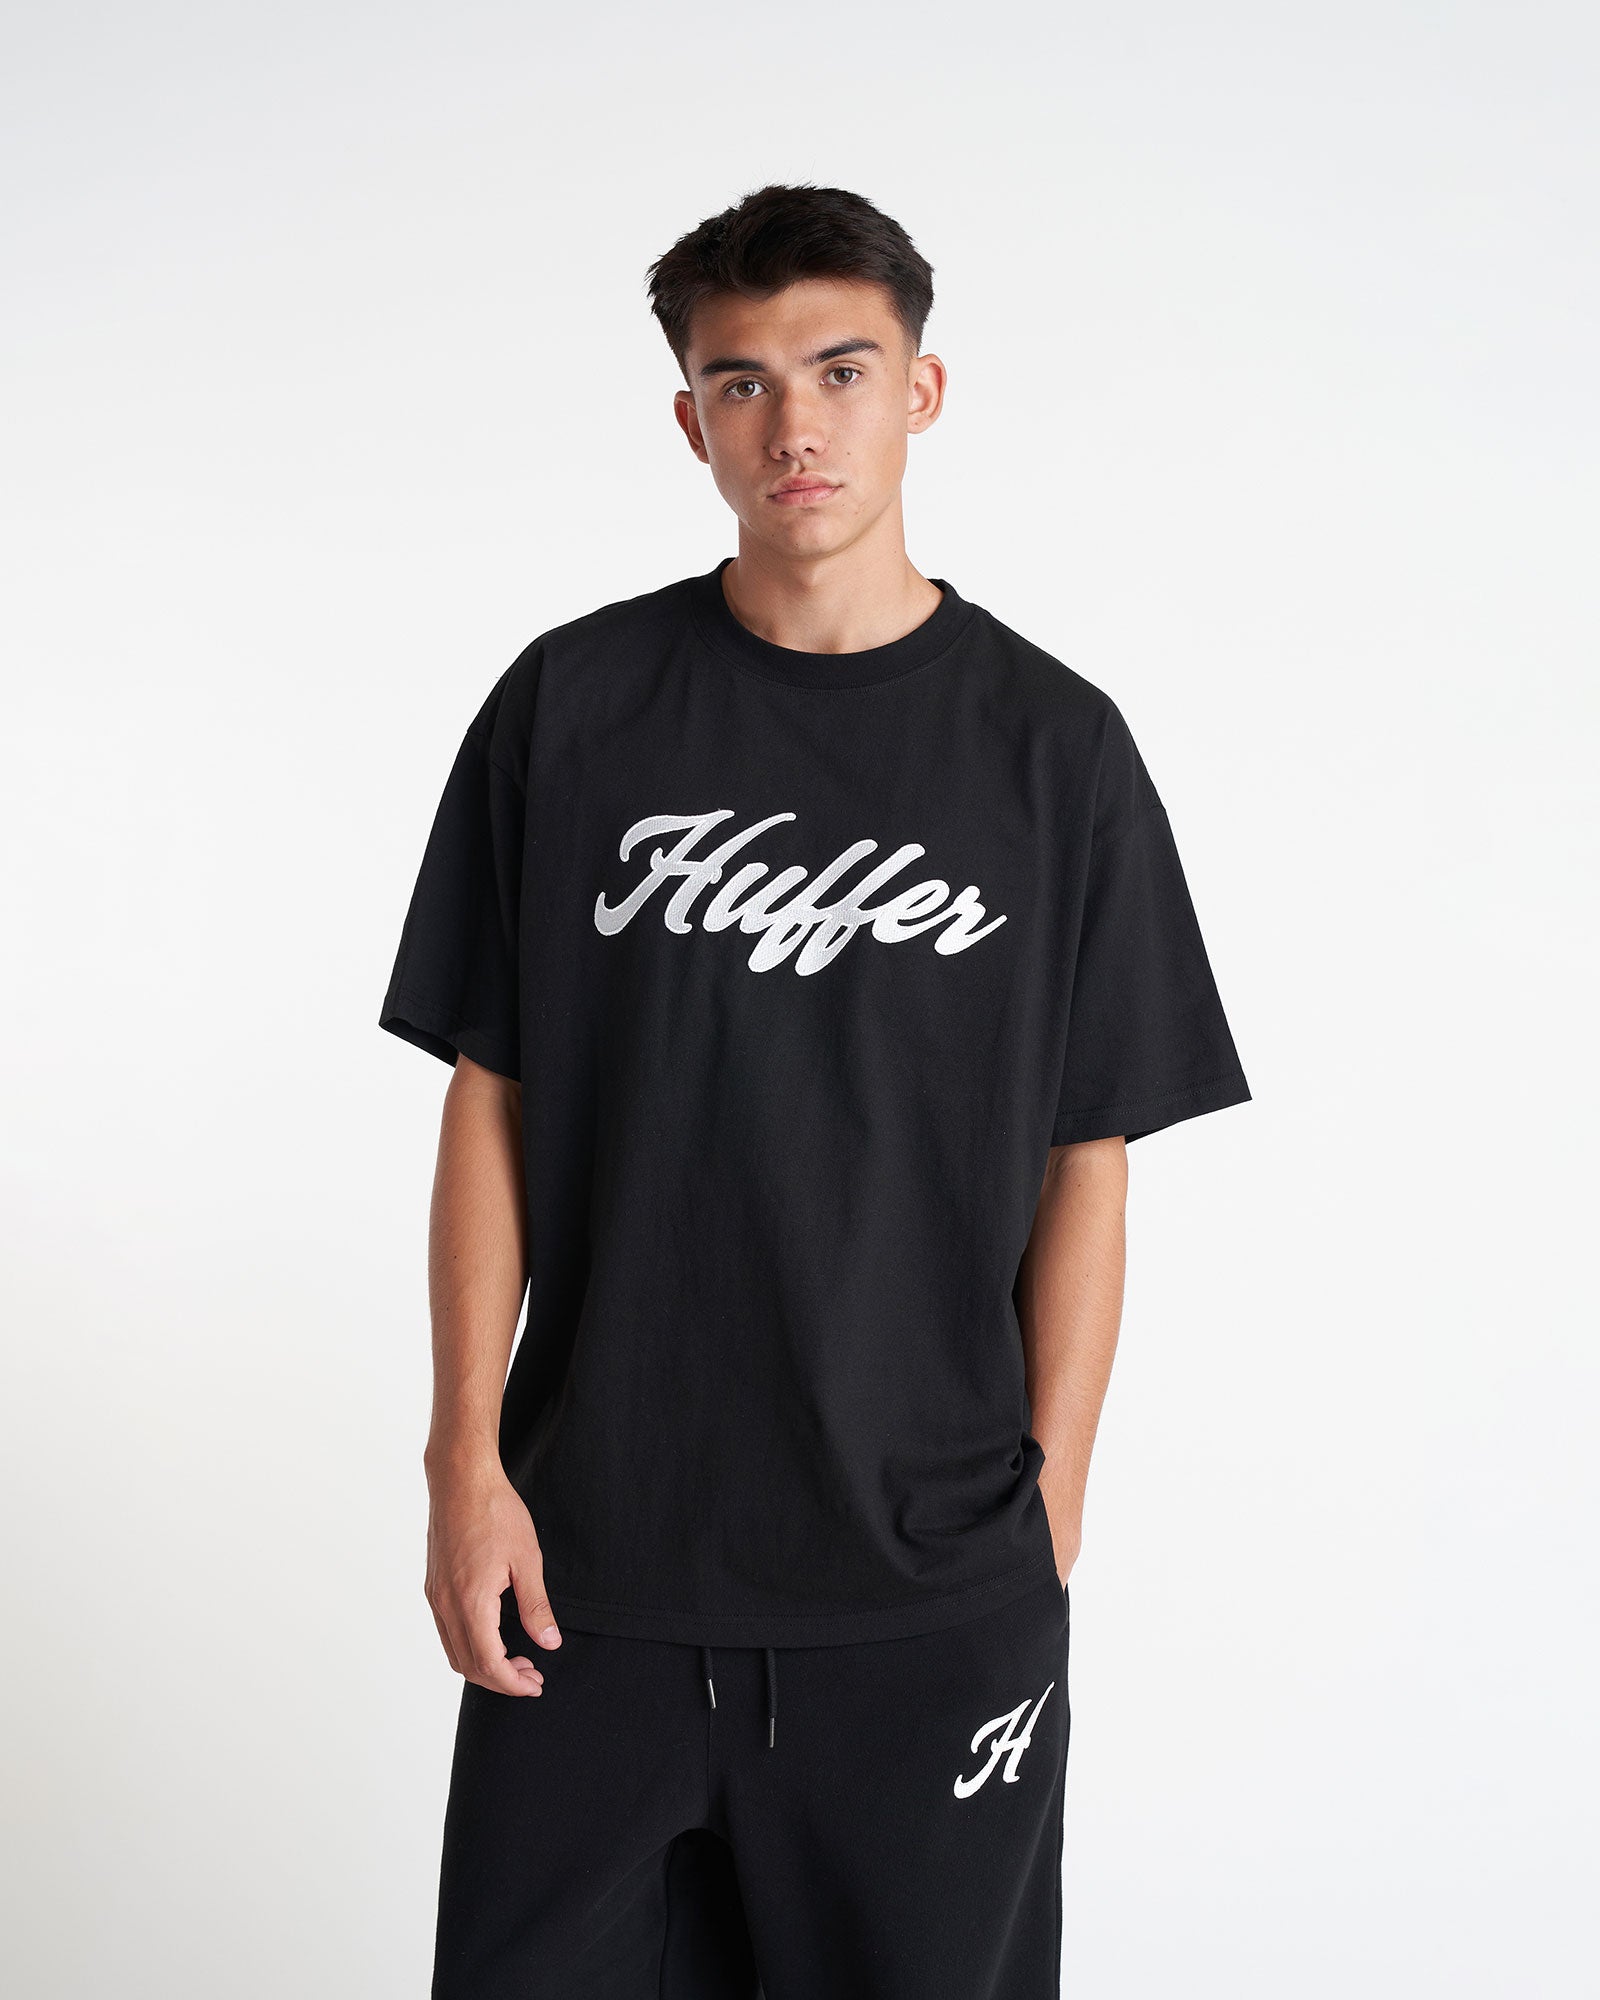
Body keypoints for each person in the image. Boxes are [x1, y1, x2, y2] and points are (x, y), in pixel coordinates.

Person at [377, 181, 1250, 2000]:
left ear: (922, 390)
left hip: (927, 1596)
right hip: (588, 1574)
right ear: (688, 418)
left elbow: (1090, 1154)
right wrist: (465, 1462)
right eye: (743, 381)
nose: (795, 425)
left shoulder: (1053, 752)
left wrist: (1042, 1520)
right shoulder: (572, 710)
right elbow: (490, 1098)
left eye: (841, 371)